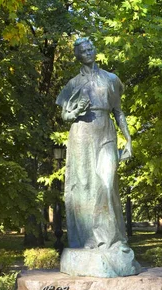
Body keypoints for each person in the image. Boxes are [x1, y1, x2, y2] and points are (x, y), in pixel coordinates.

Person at [56, 37, 134, 257]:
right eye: (83, 50)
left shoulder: (111, 79)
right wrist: (76, 110)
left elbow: (118, 112)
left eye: (91, 48)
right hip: (81, 135)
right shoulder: (73, 83)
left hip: (106, 132)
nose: (88, 52)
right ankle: (88, 238)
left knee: (107, 183)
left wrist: (128, 139)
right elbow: (65, 115)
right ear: (77, 55)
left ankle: (114, 238)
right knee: (85, 186)